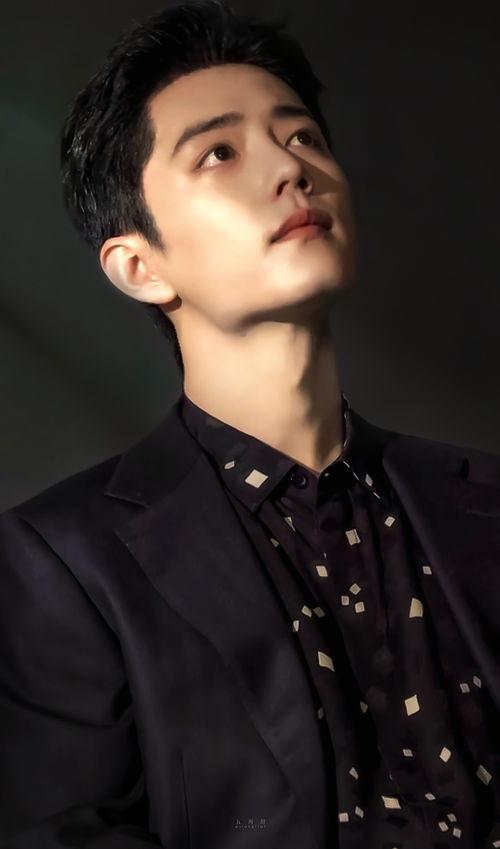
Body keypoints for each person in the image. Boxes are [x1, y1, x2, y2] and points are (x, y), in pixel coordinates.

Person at [1, 1, 500, 847]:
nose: (290, 168)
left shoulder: (484, 502)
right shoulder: (60, 562)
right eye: (220, 152)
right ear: (139, 265)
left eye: (303, 137)